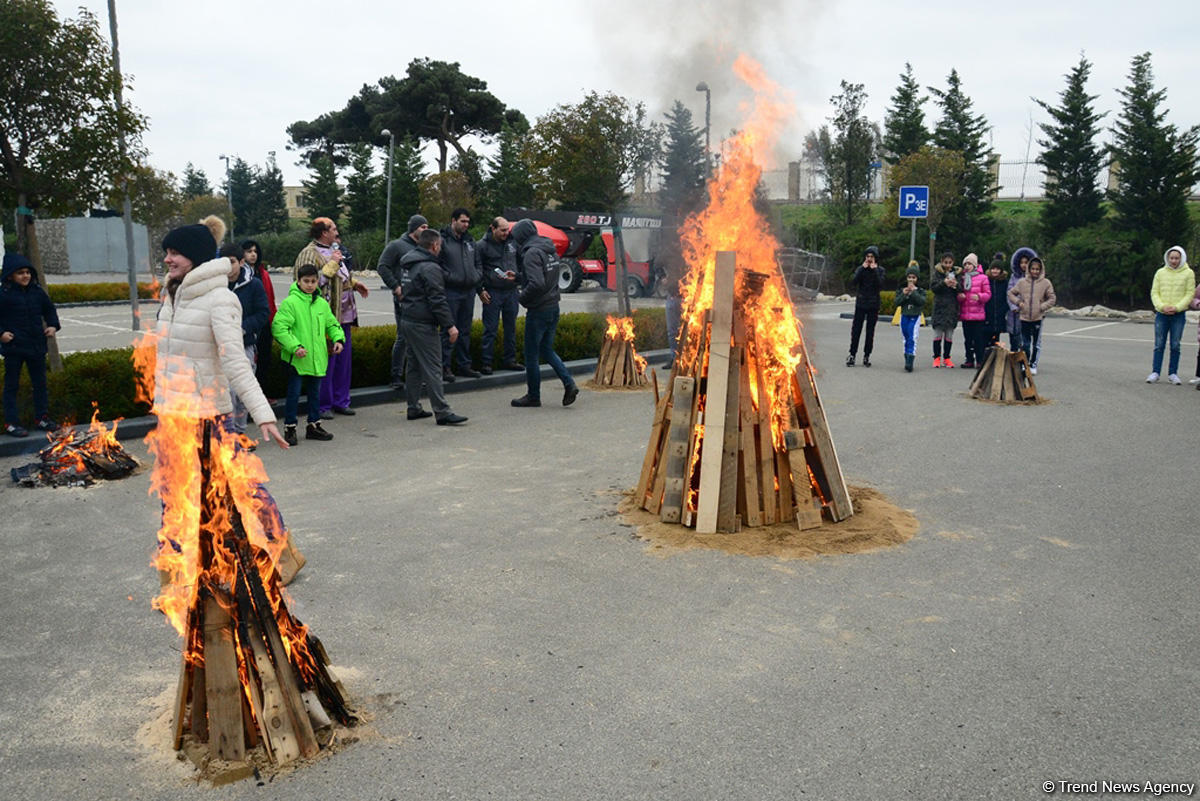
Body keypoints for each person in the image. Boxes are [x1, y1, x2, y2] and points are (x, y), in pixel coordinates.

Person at [154, 215, 284, 448]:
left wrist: (262, 414)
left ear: (194, 256)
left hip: (207, 416)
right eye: (167, 252)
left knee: (221, 484)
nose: (167, 259)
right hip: (172, 413)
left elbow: (236, 361)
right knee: (172, 484)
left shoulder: (220, 299)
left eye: (174, 253)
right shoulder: (172, 295)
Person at [397, 229, 468, 425]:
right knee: (433, 367)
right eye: (440, 246)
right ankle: (442, 412)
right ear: (435, 245)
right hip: (423, 323)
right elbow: (438, 300)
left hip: (408, 319)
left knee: (414, 366)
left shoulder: (408, 263)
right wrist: (450, 326)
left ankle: (413, 407)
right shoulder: (429, 268)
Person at [509, 219, 579, 408]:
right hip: (552, 306)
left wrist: (521, 298)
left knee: (531, 354)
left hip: (538, 309)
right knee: (546, 349)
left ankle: (533, 396)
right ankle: (569, 383)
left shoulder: (531, 253)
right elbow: (545, 278)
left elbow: (537, 283)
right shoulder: (549, 249)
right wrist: (518, 277)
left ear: (521, 236)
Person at [272, 263, 345, 444]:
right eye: (306, 281)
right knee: (293, 394)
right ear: (298, 281)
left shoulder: (321, 303)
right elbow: (279, 328)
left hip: (317, 358)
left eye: (313, 281)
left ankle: (314, 425)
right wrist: (295, 347)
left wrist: (338, 339)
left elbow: (332, 323)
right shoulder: (291, 303)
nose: (310, 285)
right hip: (297, 359)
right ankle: (290, 427)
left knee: (315, 394)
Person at [0, 252, 61, 437]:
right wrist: (1, 334)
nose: (25, 276)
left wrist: (52, 326)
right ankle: (11, 423)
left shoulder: (37, 291)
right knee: (12, 386)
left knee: (40, 384)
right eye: (20, 273)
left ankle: (42, 418)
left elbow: (49, 309)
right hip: (14, 348)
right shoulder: (3, 294)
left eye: (27, 272)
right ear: (10, 275)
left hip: (36, 346)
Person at [316, 234, 368, 418]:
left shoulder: (337, 252)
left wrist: (354, 284)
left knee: (343, 362)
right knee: (328, 362)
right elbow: (316, 281)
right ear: (323, 233)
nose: (337, 235)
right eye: (334, 230)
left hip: (345, 316)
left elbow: (341, 277)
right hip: (330, 315)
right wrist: (331, 263)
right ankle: (324, 404)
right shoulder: (311, 253)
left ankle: (341, 401)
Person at [376, 214, 428, 389]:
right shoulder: (397, 246)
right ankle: (396, 376)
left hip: (422, 300)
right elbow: (382, 266)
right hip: (404, 299)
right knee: (403, 337)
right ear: (413, 229)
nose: (426, 230)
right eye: (423, 227)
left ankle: (416, 377)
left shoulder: (424, 247)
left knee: (420, 339)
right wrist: (396, 287)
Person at [222, 243, 269, 436]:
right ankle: (228, 434)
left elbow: (263, 312)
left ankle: (240, 433)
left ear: (241, 262)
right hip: (222, 348)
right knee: (227, 393)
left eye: (231, 262)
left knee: (242, 393)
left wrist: (242, 328)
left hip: (245, 345)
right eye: (223, 262)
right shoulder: (215, 285)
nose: (227, 266)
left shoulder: (253, 284)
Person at [475, 216, 522, 374]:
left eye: (507, 230)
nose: (505, 233)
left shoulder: (513, 243)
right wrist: (480, 290)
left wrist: (519, 278)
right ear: (492, 228)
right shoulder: (481, 246)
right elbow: (477, 269)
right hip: (492, 292)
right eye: (502, 230)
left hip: (511, 292)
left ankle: (510, 360)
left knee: (511, 328)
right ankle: (486, 363)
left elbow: (521, 262)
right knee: (490, 329)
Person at [1145, 246, 1195, 385]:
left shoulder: (1188, 273)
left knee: (1175, 345)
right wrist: (1162, 306)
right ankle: (1155, 372)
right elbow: (1154, 292)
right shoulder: (1160, 273)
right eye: (1171, 258)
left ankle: (1173, 373)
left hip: (1178, 315)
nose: (1174, 261)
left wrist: (1177, 307)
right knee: (1159, 344)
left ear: (1181, 258)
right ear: (1167, 258)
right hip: (1162, 314)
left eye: (1176, 258)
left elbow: (1189, 293)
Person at [439, 208, 480, 380]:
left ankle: (464, 365)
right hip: (451, 292)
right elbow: (437, 264)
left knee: (465, 330)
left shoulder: (470, 241)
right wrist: (451, 277)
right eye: (463, 221)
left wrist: (476, 277)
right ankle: (444, 367)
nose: (466, 225)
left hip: (468, 292)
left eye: (468, 222)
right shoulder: (442, 241)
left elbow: (479, 263)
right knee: (449, 330)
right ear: (453, 220)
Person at [1006, 256, 1056, 376]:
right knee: (1025, 343)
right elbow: (1010, 293)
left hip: (1038, 318)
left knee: (1036, 344)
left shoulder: (1045, 283)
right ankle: (1025, 363)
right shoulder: (1022, 282)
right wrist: (1019, 303)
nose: (1035, 271)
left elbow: (1052, 298)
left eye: (1037, 269)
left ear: (1041, 270)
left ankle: (1033, 364)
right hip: (1024, 317)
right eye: (1032, 269)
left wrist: (1042, 307)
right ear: (1029, 269)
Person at [239, 239, 277, 389]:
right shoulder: (240, 274)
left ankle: (263, 393)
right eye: (249, 251)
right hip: (248, 323)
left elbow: (270, 299)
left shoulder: (263, 273)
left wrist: (272, 320)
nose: (253, 255)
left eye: (255, 251)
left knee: (264, 358)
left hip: (264, 321)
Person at [846, 245, 885, 367]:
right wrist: (863, 269)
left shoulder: (880, 270)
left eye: (872, 257)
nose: (869, 259)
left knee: (870, 332)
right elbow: (853, 282)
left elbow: (880, 285)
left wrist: (874, 270)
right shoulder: (860, 269)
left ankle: (866, 355)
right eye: (868, 256)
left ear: (876, 258)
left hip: (873, 304)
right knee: (856, 330)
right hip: (861, 303)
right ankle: (852, 354)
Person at [956, 253, 991, 369]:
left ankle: (980, 360)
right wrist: (959, 297)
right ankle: (969, 359)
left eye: (969, 263)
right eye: (965, 264)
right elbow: (958, 294)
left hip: (978, 315)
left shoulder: (983, 278)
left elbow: (988, 294)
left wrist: (979, 297)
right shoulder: (962, 278)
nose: (967, 266)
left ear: (975, 265)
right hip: (966, 314)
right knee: (968, 340)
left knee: (978, 340)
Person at [930, 254, 960, 368]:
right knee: (937, 334)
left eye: (950, 262)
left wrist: (955, 285)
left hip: (952, 308)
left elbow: (962, 288)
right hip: (939, 308)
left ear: (953, 263)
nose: (948, 265)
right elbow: (933, 288)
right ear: (942, 262)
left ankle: (947, 358)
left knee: (949, 335)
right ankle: (936, 357)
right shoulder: (937, 273)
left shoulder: (957, 273)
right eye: (945, 262)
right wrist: (944, 283)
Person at [895, 264, 926, 373]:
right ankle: (906, 358)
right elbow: (897, 302)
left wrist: (913, 292)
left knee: (912, 337)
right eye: (909, 277)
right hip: (904, 315)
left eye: (914, 277)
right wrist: (904, 294)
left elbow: (921, 302)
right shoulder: (902, 289)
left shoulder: (920, 291)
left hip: (915, 316)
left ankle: (910, 360)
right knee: (905, 337)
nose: (911, 280)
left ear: (917, 278)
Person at [1007, 247, 1036, 351]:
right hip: (1015, 314)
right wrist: (1014, 306)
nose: (1024, 265)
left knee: (1026, 340)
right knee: (1014, 339)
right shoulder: (1014, 277)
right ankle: (1013, 362)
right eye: (1021, 262)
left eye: (1026, 262)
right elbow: (1009, 293)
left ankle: (1025, 362)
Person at [982, 255, 1010, 350]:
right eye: (993, 269)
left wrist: (1004, 309)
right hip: (987, 314)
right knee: (985, 338)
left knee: (996, 339)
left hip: (999, 315)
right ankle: (984, 358)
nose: (995, 271)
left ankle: (994, 358)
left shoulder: (1004, 282)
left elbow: (1007, 297)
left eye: (997, 269)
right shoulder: (986, 280)